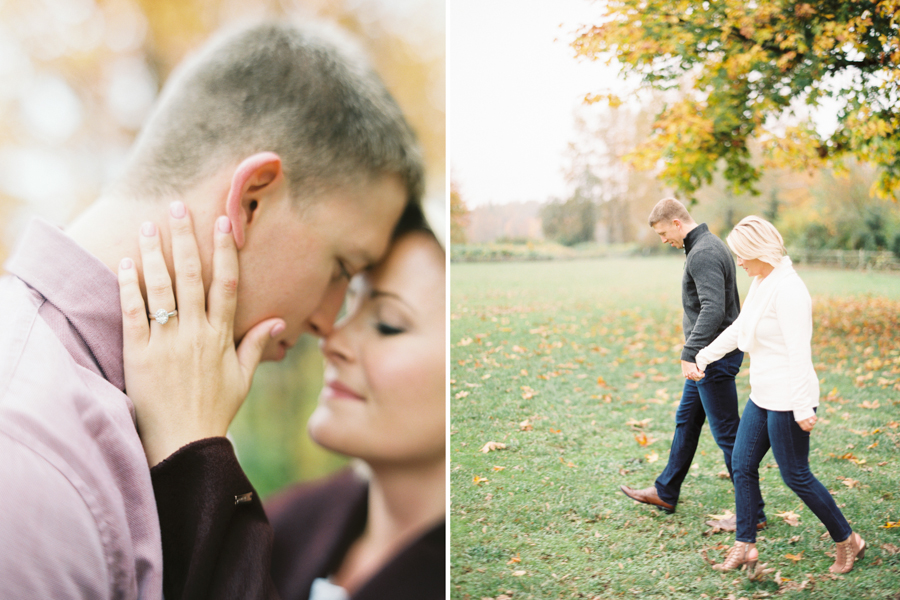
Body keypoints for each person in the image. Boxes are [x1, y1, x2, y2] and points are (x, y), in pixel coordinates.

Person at [0, 20, 422, 598]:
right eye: (341, 269)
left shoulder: (149, 411)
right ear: (252, 199)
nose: (328, 321)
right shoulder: (30, 464)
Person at [115, 202, 445, 599]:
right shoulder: (287, 524)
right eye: (349, 306)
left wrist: (191, 452)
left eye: (387, 324)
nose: (332, 340)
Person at [695, 216, 865, 577]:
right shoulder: (762, 280)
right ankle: (745, 544)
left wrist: (803, 406)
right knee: (741, 464)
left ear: (760, 251)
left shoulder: (790, 290)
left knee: (796, 475)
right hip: (763, 394)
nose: (738, 262)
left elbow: (799, 353)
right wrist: (704, 355)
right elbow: (741, 327)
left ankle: (847, 539)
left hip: (790, 397)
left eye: (742, 255)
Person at [620, 198, 766, 532]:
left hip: (710, 358)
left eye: (662, 233)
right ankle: (666, 490)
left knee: (729, 435)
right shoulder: (707, 245)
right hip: (709, 356)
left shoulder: (702, 253)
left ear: (675, 222)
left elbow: (713, 309)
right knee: (686, 421)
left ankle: (754, 513)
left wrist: (690, 352)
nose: (663, 240)